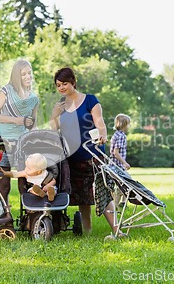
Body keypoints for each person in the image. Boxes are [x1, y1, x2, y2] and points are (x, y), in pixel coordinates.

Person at [51, 67, 123, 238]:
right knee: (82, 196)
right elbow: (54, 131)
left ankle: (117, 231)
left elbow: (100, 122)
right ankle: (87, 231)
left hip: (94, 155)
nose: (61, 87)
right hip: (73, 157)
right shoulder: (60, 106)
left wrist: (103, 135)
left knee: (103, 192)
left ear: (73, 82)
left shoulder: (90, 100)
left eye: (65, 83)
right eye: (58, 85)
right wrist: (54, 115)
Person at [0, 59, 39, 204]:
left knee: (24, 182)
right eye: (24, 74)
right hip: (4, 142)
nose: (28, 76)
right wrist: (16, 120)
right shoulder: (7, 91)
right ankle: (6, 216)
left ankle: (28, 215)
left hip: (23, 144)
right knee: (4, 184)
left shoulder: (34, 99)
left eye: (29, 73)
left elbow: (32, 125)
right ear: (17, 76)